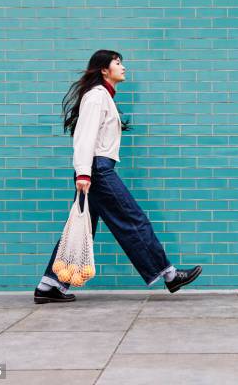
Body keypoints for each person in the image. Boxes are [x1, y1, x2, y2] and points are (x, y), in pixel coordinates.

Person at [34, 50, 202, 304]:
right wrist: (83, 173)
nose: (123, 67)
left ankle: (49, 285)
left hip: (96, 170)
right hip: (97, 171)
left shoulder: (104, 98)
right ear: (104, 69)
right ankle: (169, 275)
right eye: (117, 63)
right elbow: (84, 137)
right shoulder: (96, 97)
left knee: (82, 229)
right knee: (133, 219)